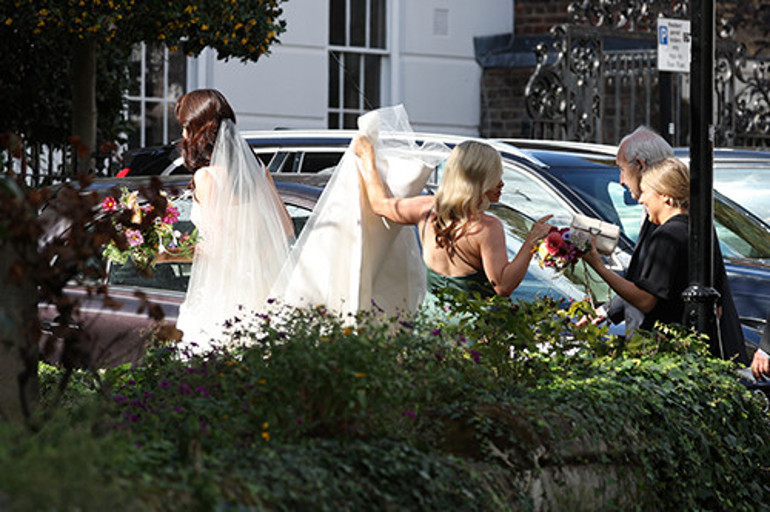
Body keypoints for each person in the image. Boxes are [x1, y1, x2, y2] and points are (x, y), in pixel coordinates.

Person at [161, 89, 294, 351]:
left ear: (197, 130)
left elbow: (216, 249)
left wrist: (169, 254)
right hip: (266, 292)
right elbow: (286, 228)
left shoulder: (206, 178)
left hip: (224, 298)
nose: (183, 136)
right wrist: (255, 263)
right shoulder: (259, 173)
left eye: (185, 128)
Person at [582, 157, 747, 364]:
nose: (641, 200)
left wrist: (598, 265)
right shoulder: (700, 230)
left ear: (666, 196)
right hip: (695, 351)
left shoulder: (666, 237)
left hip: (667, 353)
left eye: (646, 192)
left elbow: (645, 300)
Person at [353, 135, 552, 303]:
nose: (502, 183)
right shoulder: (487, 227)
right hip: (474, 336)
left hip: (433, 327)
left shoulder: (425, 209)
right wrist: (531, 241)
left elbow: (380, 204)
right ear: (478, 180)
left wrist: (367, 157)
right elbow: (502, 286)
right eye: (495, 176)